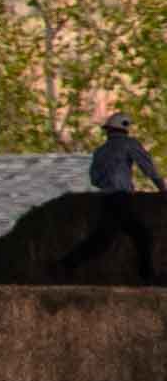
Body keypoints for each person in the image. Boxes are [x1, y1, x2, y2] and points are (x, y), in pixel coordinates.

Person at [55, 111, 164, 283]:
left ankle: (65, 265)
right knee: (126, 236)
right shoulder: (129, 144)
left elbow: (95, 179)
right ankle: (64, 265)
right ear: (126, 129)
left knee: (119, 236)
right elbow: (147, 167)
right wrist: (162, 189)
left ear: (108, 130)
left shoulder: (100, 151)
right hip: (122, 198)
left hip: (106, 198)